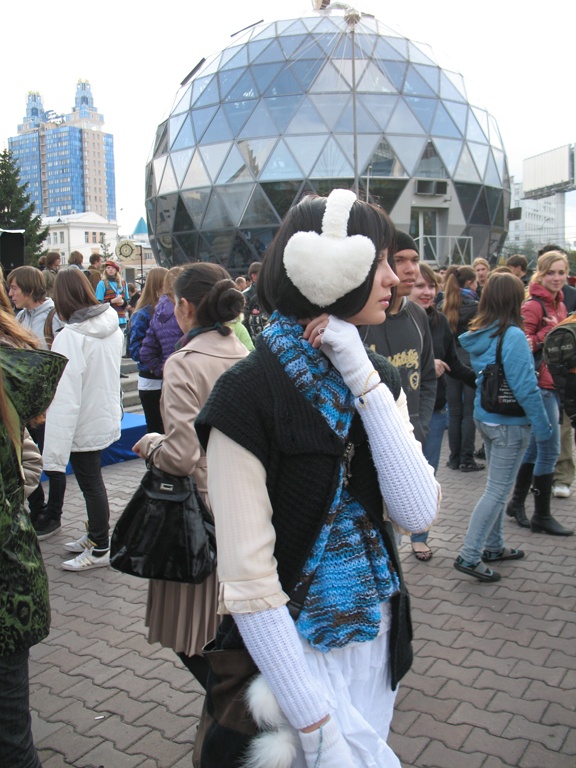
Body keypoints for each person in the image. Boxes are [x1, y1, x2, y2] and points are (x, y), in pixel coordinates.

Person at [194, 190, 439, 768]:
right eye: (379, 261)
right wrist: (315, 726)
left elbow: (417, 511)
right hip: (290, 655)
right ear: (323, 268)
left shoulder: (374, 376)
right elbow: (249, 583)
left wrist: (361, 373)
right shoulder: (247, 395)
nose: (393, 278)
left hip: (375, 634)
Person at [132, 263, 250, 689]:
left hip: (199, 515)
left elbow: (181, 455)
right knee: (231, 629)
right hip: (246, 506)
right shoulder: (243, 353)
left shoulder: (184, 362)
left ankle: (232, 713)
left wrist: (151, 444)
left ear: (184, 306)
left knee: (193, 636)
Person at [0, 293, 65, 767]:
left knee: (12, 737)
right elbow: (28, 461)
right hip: (11, 576)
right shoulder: (13, 370)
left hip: (8, 583)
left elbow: (27, 460)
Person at [453, 273, 552, 582]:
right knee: (497, 491)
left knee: (496, 486)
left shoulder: (483, 332)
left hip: (486, 416)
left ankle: (493, 547)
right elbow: (525, 387)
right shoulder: (512, 335)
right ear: (515, 299)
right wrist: (543, 427)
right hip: (510, 423)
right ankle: (470, 555)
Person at [42, 269, 124, 567]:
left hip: (82, 420)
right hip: (101, 413)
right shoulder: (112, 327)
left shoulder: (70, 337)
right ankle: (95, 536)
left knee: (91, 484)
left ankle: (100, 546)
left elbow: (64, 396)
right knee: (93, 482)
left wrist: (55, 447)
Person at [408, 263, 476, 561]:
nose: (426, 292)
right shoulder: (387, 321)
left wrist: (482, 381)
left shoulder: (439, 322)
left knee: (427, 476)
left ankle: (419, 536)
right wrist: (426, 368)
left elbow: (453, 364)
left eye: (431, 286)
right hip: (397, 415)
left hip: (433, 412)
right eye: (419, 286)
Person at [506, 251, 573, 536]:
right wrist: (550, 334)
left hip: (555, 384)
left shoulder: (560, 303)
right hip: (541, 387)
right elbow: (521, 344)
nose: (556, 278)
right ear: (540, 274)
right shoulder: (533, 305)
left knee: (536, 448)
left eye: (561, 272)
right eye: (551, 273)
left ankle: (516, 503)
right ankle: (542, 516)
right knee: (549, 450)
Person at [362, 231, 436, 446]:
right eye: (400, 260)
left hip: (412, 438)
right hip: (370, 441)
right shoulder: (362, 318)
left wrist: (420, 425)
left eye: (415, 260)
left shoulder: (418, 315)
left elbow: (428, 377)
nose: (410, 269)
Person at [8, 266, 65, 538]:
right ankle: (37, 509)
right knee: (28, 458)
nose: (10, 293)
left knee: (51, 458)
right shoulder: (19, 317)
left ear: (29, 288)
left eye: (14, 288)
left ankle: (53, 515)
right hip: (27, 403)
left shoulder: (54, 317)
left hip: (49, 404)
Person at [441, 265, 483, 472]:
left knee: (454, 413)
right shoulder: (477, 307)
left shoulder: (444, 305)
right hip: (470, 363)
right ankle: (467, 459)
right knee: (468, 414)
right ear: (469, 283)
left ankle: (454, 458)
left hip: (450, 363)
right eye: (476, 282)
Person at [128, 266, 168, 433]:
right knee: (155, 431)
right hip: (151, 380)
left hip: (168, 378)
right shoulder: (142, 315)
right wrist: (156, 365)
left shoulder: (170, 311)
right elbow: (135, 349)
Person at [139, 266, 186, 377]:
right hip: (189, 370)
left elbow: (146, 352)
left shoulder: (158, 313)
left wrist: (161, 370)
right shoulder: (186, 311)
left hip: (170, 372)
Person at [95, 260, 130, 330]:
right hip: (108, 319)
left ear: (116, 270)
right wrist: (112, 301)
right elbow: (98, 303)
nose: (110, 269)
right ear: (105, 270)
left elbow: (127, 300)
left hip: (121, 318)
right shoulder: (102, 283)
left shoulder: (123, 283)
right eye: (108, 268)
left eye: (113, 268)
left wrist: (123, 302)